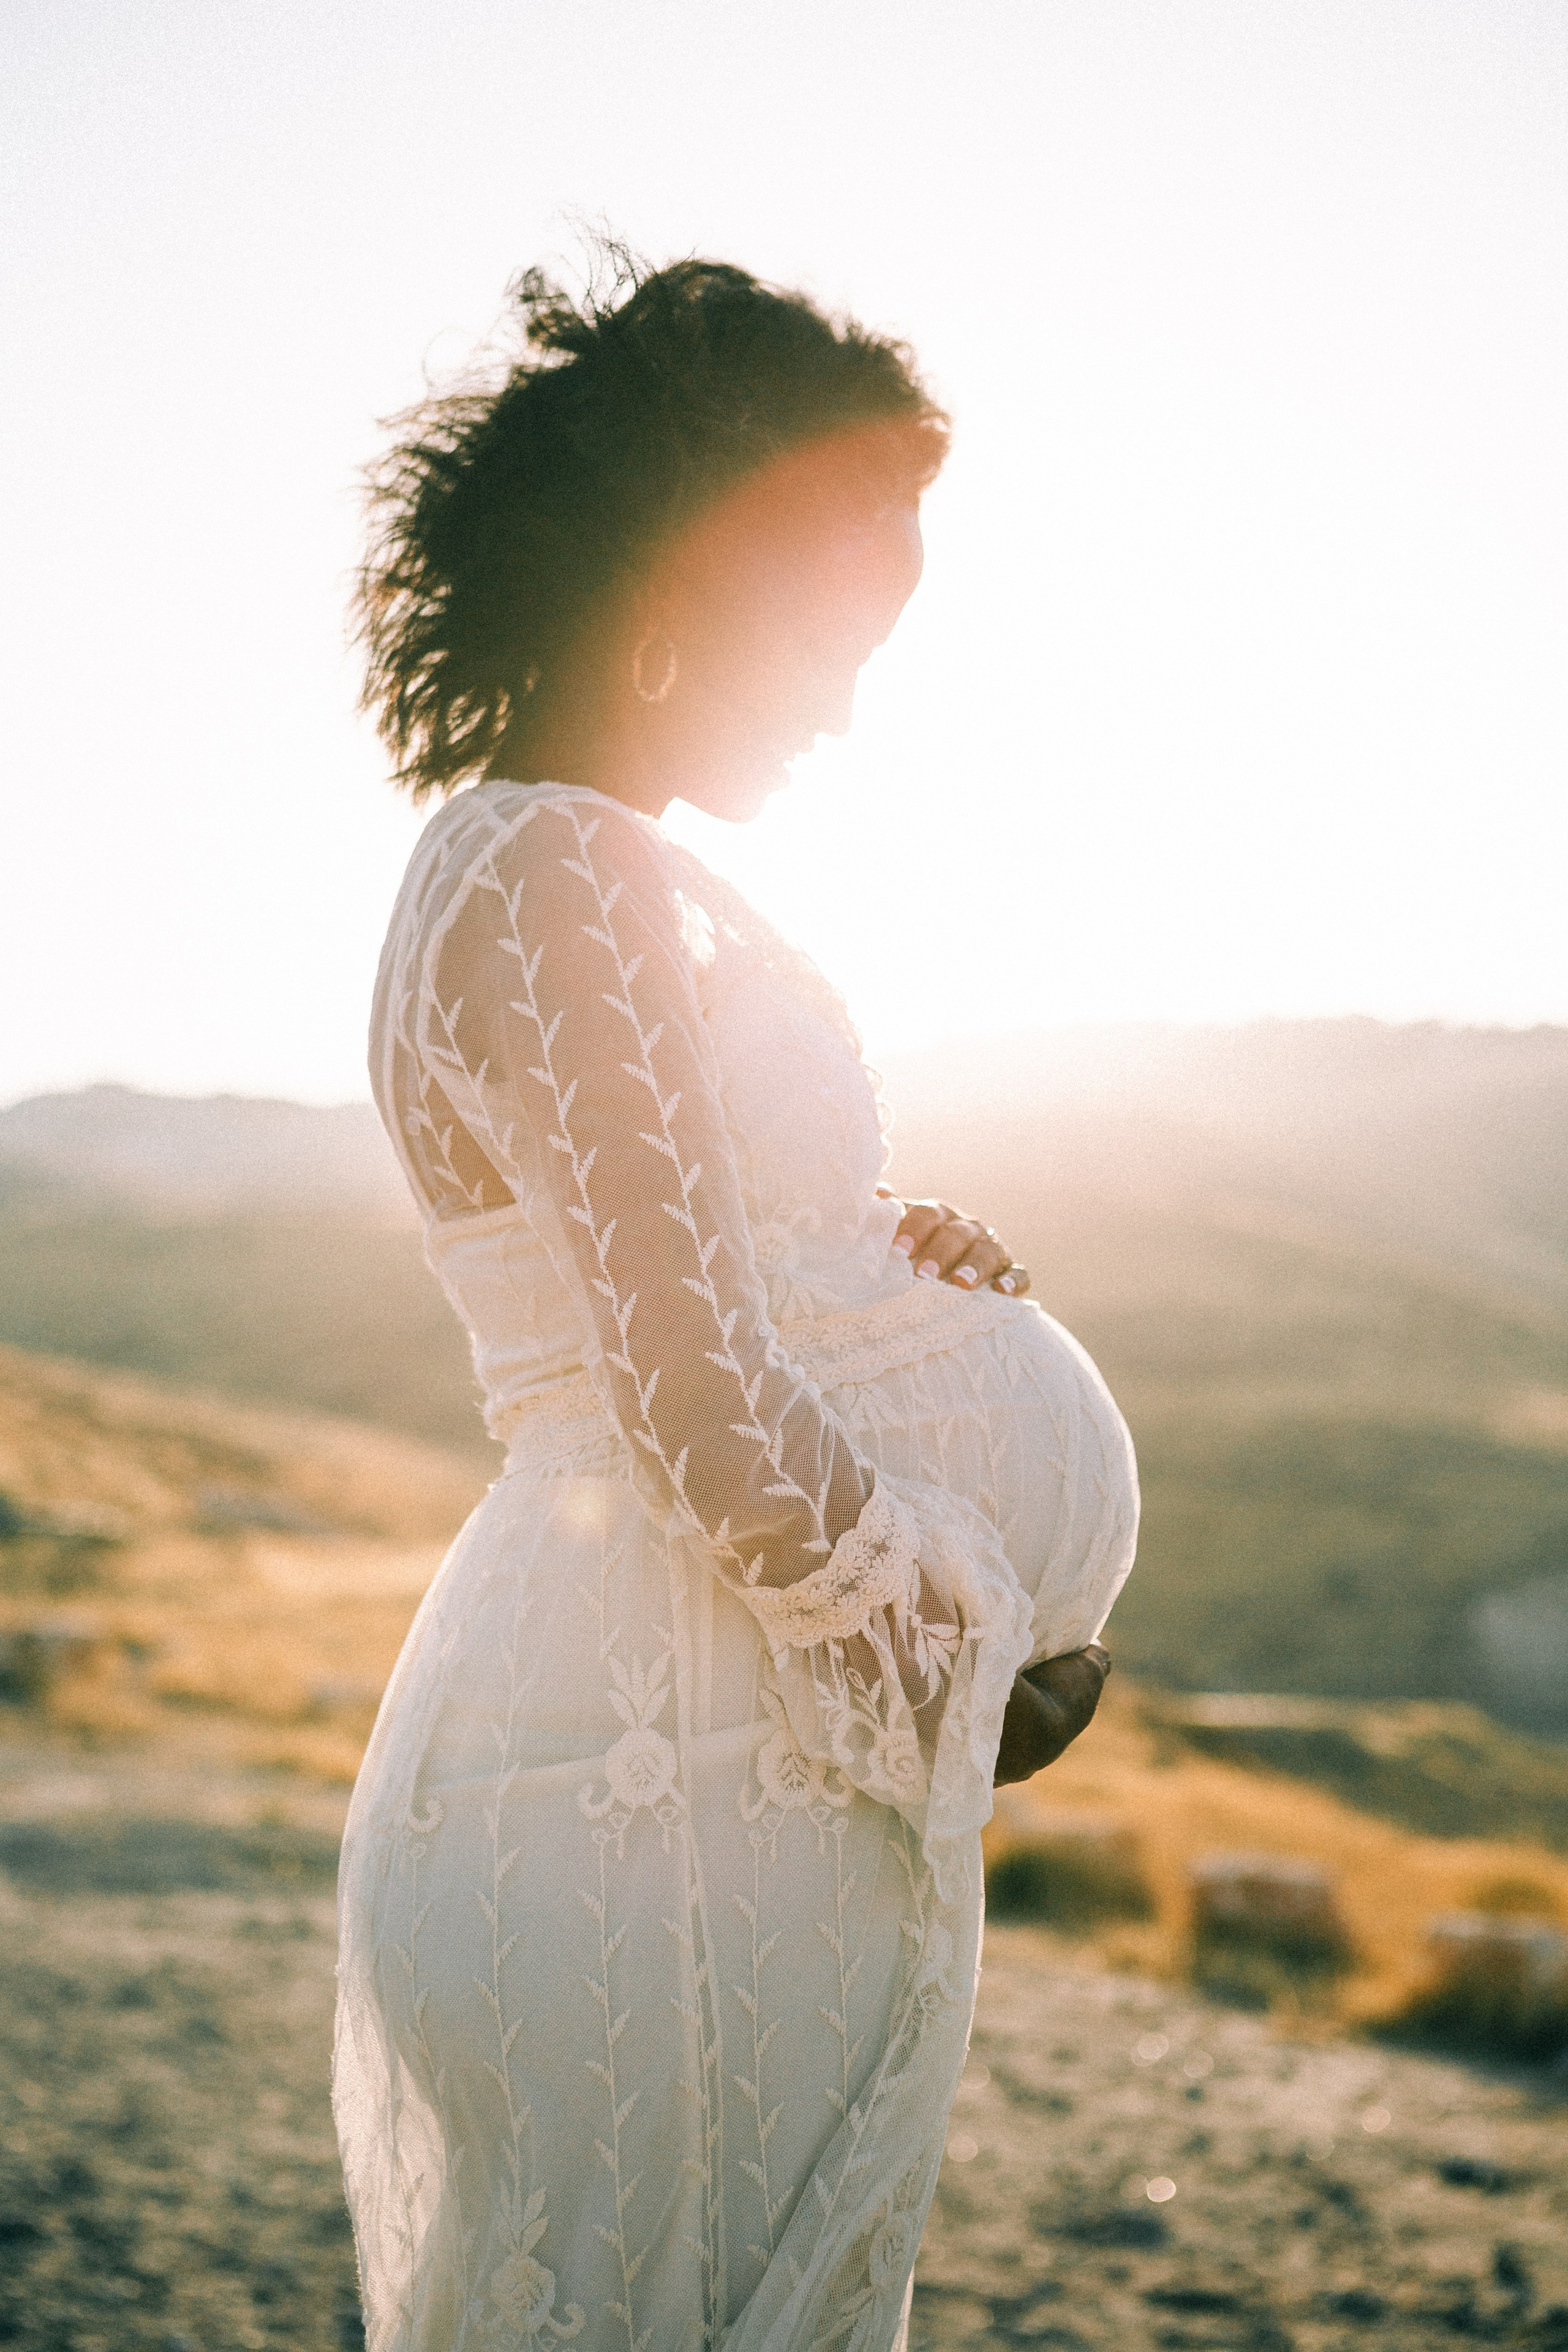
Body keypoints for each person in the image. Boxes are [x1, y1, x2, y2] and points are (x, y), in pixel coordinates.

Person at [333, 252, 1138, 2352]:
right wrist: (972, 1665)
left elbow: (676, 1263)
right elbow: (689, 1407)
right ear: (687, 582)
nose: (849, 704)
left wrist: (866, 1251)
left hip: (666, 1743)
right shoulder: (557, 871)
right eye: (834, 635)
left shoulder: (525, 863)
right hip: (651, 1769)